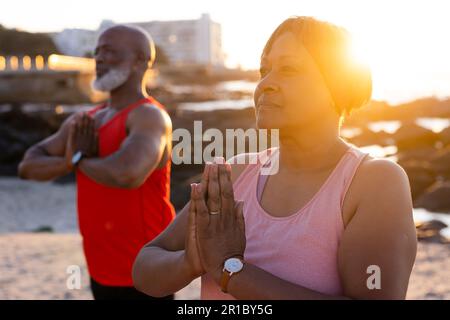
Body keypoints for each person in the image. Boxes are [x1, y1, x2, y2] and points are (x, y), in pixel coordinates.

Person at [132, 17, 417, 300]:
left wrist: (231, 271)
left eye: (288, 69)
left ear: (337, 87)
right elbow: (145, 268)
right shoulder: (237, 172)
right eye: (264, 70)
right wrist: (190, 262)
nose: (266, 83)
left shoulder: (374, 182)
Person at [18, 25, 175, 300]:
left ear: (140, 61)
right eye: (97, 52)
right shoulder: (87, 120)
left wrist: (76, 160)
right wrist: (71, 161)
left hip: (145, 272)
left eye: (110, 52)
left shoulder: (149, 116)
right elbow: (28, 166)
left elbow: (127, 173)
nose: (99, 59)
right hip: (100, 268)